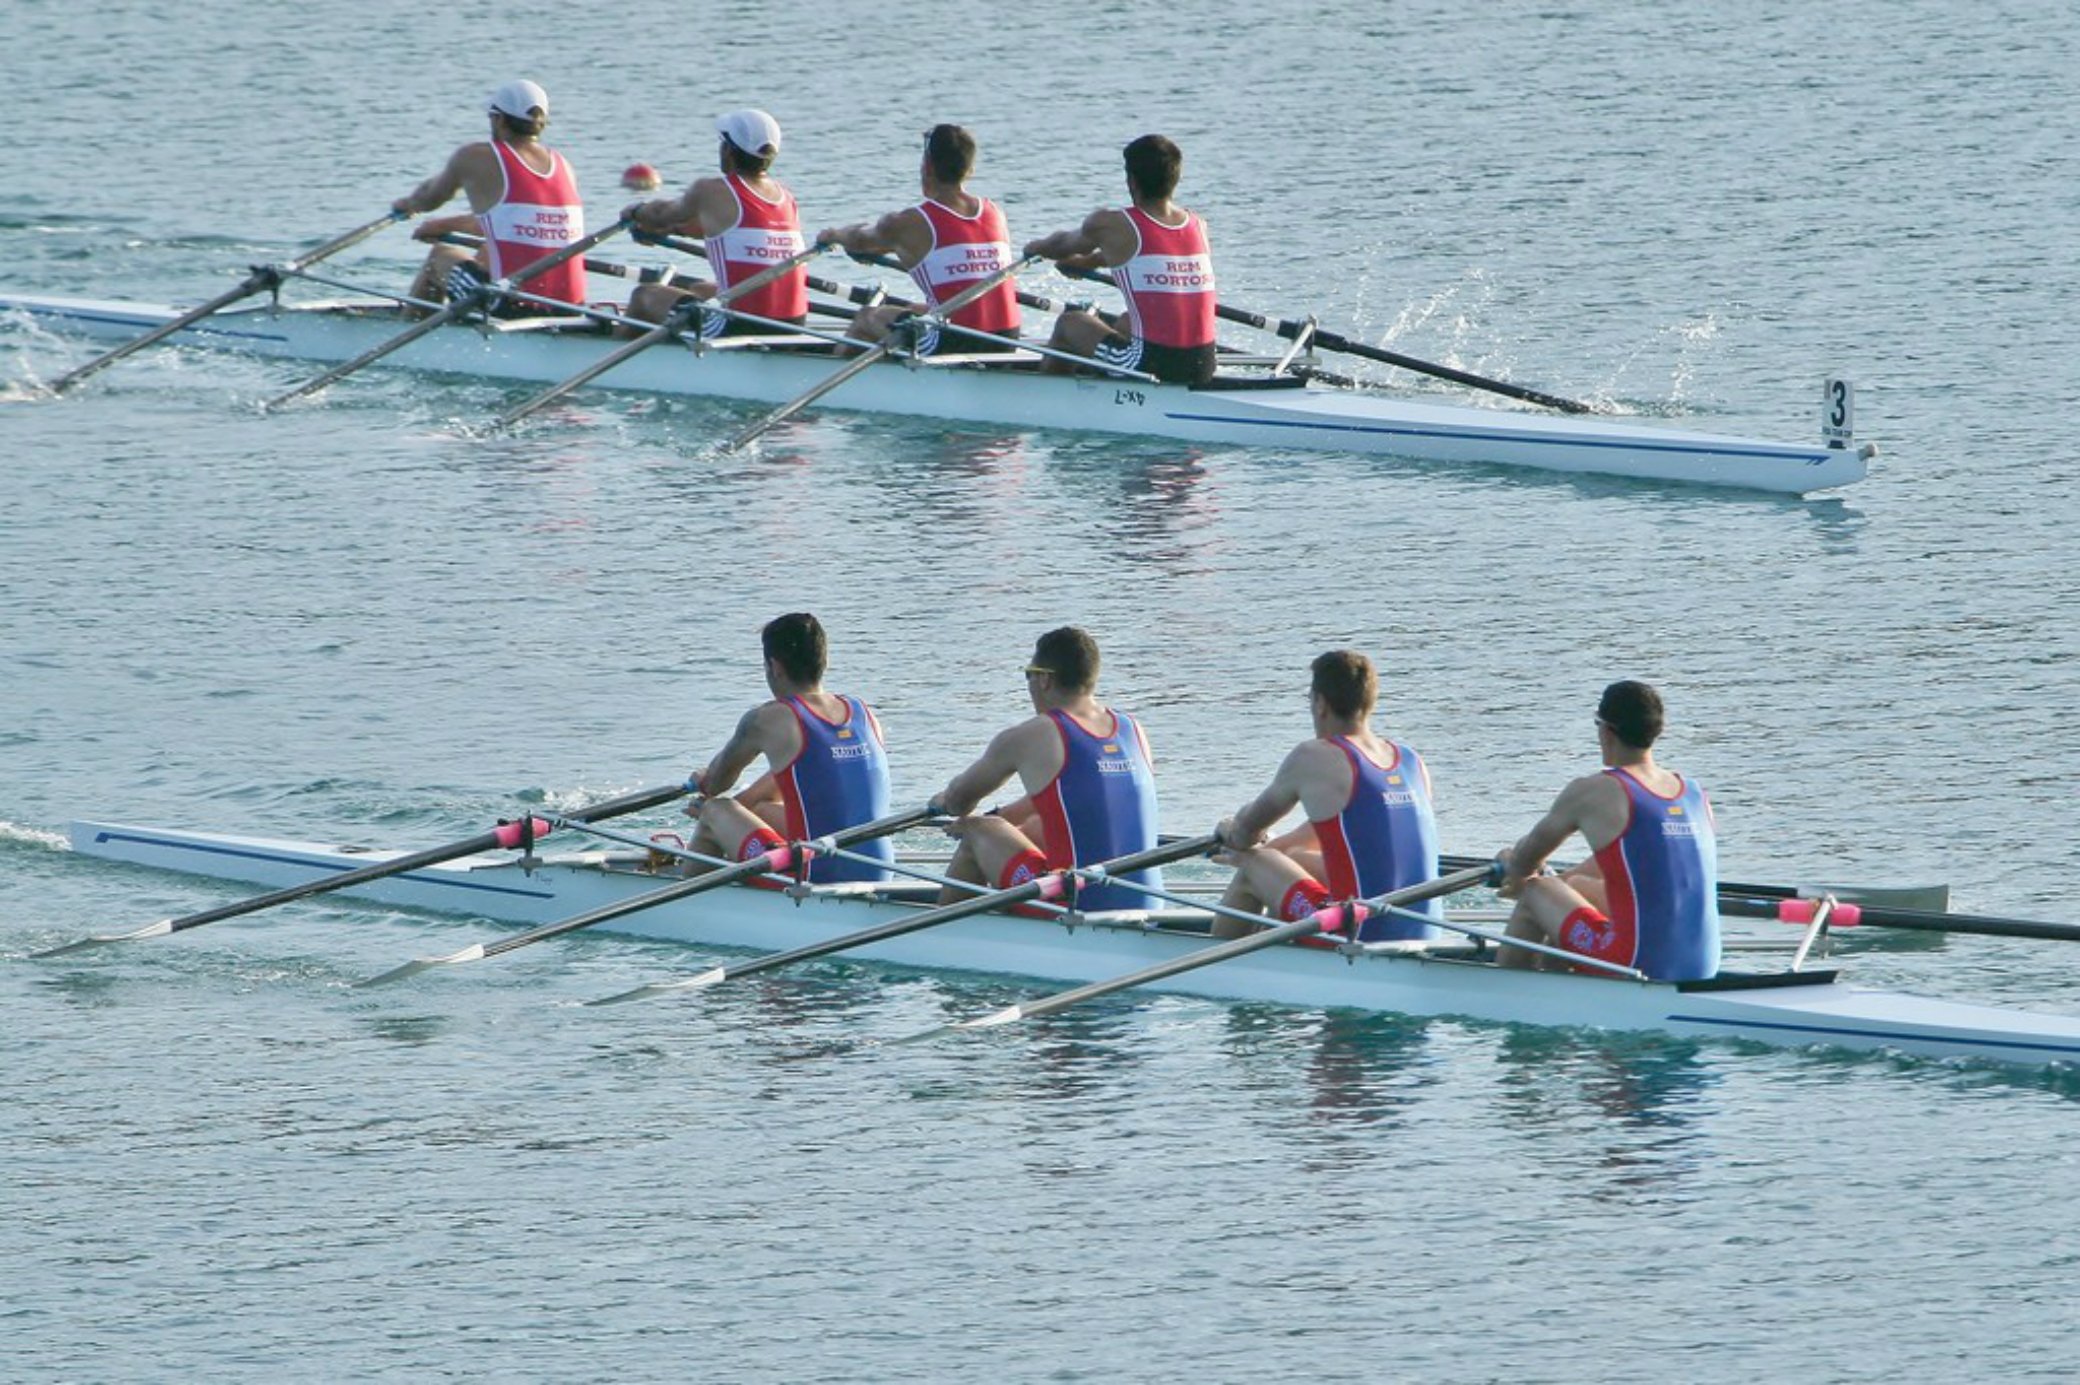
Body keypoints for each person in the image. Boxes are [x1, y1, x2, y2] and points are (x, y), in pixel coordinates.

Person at [1495, 680, 1721, 982]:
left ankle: (1506, 993)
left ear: (1606, 730)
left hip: (1634, 963)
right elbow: (1635, 862)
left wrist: (1511, 864)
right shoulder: (1694, 793)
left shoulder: (1595, 791)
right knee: (1576, 885)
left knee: (1537, 892)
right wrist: (1562, 883)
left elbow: (1525, 863)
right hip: (1703, 965)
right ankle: (1558, 978)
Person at [1213, 651, 1442, 942]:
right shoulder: (1411, 762)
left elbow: (1245, 834)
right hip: (1424, 933)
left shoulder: (1315, 756)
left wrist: (1232, 836)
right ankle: (1280, 952)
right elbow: (1327, 834)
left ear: (1320, 704)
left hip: (1355, 933)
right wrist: (1277, 849)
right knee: (1294, 857)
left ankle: (1221, 967)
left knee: (1253, 863)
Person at [931, 627, 1162, 912]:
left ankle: (944, 938)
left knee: (977, 830)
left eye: (1028, 674)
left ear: (1044, 679)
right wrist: (1005, 818)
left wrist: (943, 802)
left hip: (1076, 904)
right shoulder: (1132, 730)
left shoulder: (1034, 734)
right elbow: (1081, 795)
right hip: (1150, 901)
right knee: (1033, 828)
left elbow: (958, 801)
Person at [683, 613, 893, 885]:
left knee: (715, 810)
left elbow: (715, 784)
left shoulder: (769, 719)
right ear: (824, 660)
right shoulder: (863, 714)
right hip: (880, 872)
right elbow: (812, 776)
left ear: (775, 666)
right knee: (761, 809)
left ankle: (689, 903)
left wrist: (705, 780)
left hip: (815, 876)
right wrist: (744, 809)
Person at [1021, 133, 1217, 385]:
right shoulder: (1197, 225)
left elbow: (1060, 247)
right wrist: (1089, 262)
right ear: (1175, 179)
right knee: (1125, 322)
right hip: (1204, 364)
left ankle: (1048, 398)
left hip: (1148, 365)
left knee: (1070, 324)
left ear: (1132, 181)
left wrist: (1033, 248)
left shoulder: (1111, 223)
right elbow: (1151, 259)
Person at [814, 124, 1021, 355]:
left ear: (927, 166)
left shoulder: (908, 222)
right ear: (970, 169)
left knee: (866, 318)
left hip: (956, 341)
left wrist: (834, 235)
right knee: (914, 310)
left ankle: (846, 388)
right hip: (1009, 338)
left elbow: (859, 240)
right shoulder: (995, 213)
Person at [391, 80, 588, 315]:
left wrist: (408, 205)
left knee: (440, 256)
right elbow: (514, 224)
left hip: (511, 305)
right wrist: (441, 225)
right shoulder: (564, 166)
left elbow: (429, 197)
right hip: (571, 309)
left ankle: (411, 337)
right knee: (488, 251)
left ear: (498, 119)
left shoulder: (477, 156)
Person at [621, 109, 809, 337]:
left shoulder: (710, 190)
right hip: (794, 326)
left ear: (729, 150)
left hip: (739, 326)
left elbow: (662, 213)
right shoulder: (785, 197)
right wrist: (674, 231)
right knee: (700, 289)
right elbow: (730, 233)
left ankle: (618, 362)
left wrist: (636, 211)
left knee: (644, 296)